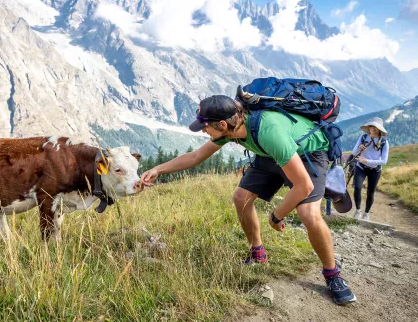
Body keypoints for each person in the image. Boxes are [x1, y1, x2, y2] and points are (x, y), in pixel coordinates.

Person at [140, 95, 356, 305]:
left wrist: (276, 216)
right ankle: (258, 254)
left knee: (308, 214)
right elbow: (196, 157)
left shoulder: (269, 132)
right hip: (270, 154)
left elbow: (304, 186)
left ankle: (333, 275)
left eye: (205, 126)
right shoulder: (230, 128)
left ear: (222, 124)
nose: (204, 130)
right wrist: (159, 169)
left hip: (307, 153)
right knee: (241, 197)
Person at [351, 117, 389, 221]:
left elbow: (384, 161)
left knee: (370, 192)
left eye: (375, 127)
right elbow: (354, 152)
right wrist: (359, 148)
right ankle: (358, 210)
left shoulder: (384, 142)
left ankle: (366, 213)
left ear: (380, 129)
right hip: (360, 167)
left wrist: (367, 161)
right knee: (357, 187)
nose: (373, 128)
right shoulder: (363, 138)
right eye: (371, 126)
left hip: (375, 170)